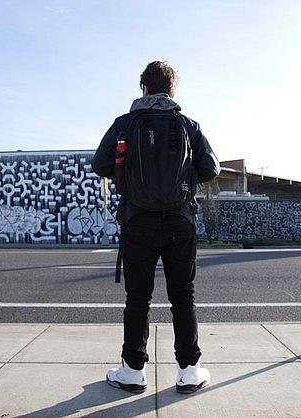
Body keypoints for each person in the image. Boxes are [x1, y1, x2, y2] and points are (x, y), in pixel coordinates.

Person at [93, 61, 220, 394]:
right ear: (172, 90)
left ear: (144, 88)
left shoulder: (125, 124)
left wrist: (132, 175)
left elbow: (99, 163)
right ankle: (189, 370)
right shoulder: (187, 125)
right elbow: (211, 167)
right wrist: (184, 178)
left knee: (138, 299)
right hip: (179, 221)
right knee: (183, 297)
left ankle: (133, 370)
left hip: (138, 221)